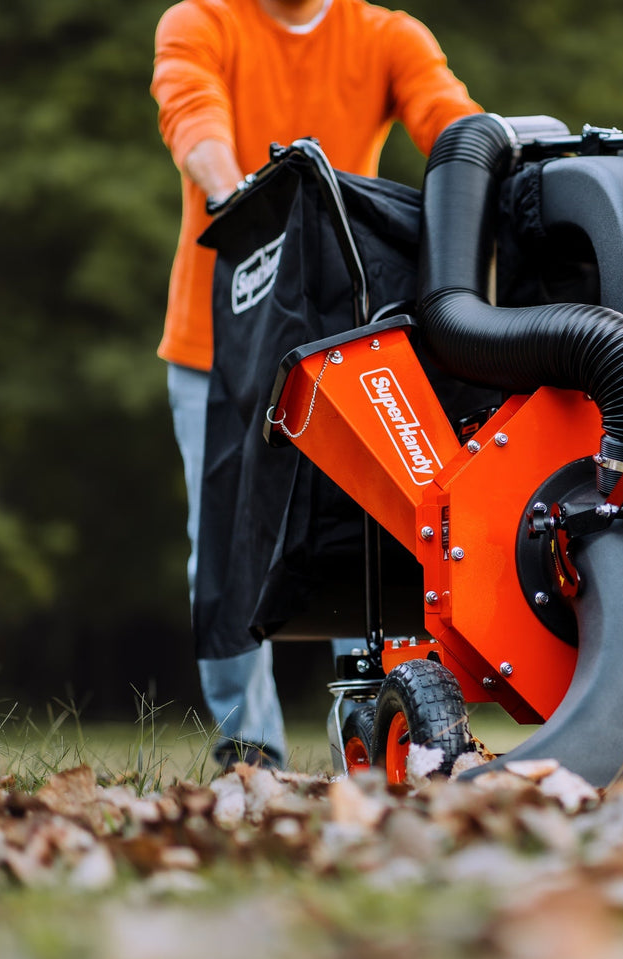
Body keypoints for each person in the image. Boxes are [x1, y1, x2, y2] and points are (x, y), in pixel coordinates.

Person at [151, 0, 482, 769]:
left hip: (348, 335)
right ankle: (250, 742)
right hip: (218, 342)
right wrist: (241, 199)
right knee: (225, 547)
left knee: (374, 535)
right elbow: (193, 115)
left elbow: (446, 116)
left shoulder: (387, 35)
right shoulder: (201, 22)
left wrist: (487, 159)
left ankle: (378, 726)